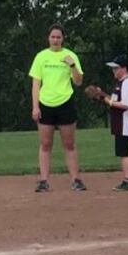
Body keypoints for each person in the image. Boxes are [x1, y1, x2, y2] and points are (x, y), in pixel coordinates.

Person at [29, 25, 84, 192]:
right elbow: (36, 84)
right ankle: (44, 181)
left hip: (65, 102)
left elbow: (78, 81)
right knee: (45, 144)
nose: (55, 40)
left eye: (58, 37)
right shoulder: (41, 57)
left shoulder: (70, 56)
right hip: (46, 104)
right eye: (53, 37)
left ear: (63, 39)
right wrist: (35, 106)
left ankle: (75, 179)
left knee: (69, 143)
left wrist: (72, 65)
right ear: (48, 38)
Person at [97, 54, 128, 190]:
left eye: (116, 68)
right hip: (120, 122)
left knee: (124, 151)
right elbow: (114, 100)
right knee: (122, 151)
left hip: (125, 122)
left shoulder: (127, 83)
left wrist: (107, 100)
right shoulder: (120, 83)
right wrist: (102, 95)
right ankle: (127, 179)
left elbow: (126, 104)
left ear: (124, 69)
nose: (113, 71)